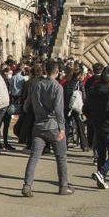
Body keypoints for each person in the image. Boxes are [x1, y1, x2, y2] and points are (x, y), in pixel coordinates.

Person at [21, 60, 72, 197]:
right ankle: (63, 186)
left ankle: (27, 185)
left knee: (34, 157)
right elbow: (59, 109)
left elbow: (27, 105)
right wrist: (62, 128)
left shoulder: (37, 85)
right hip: (53, 125)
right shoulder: (57, 87)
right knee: (61, 157)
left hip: (38, 125)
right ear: (56, 71)